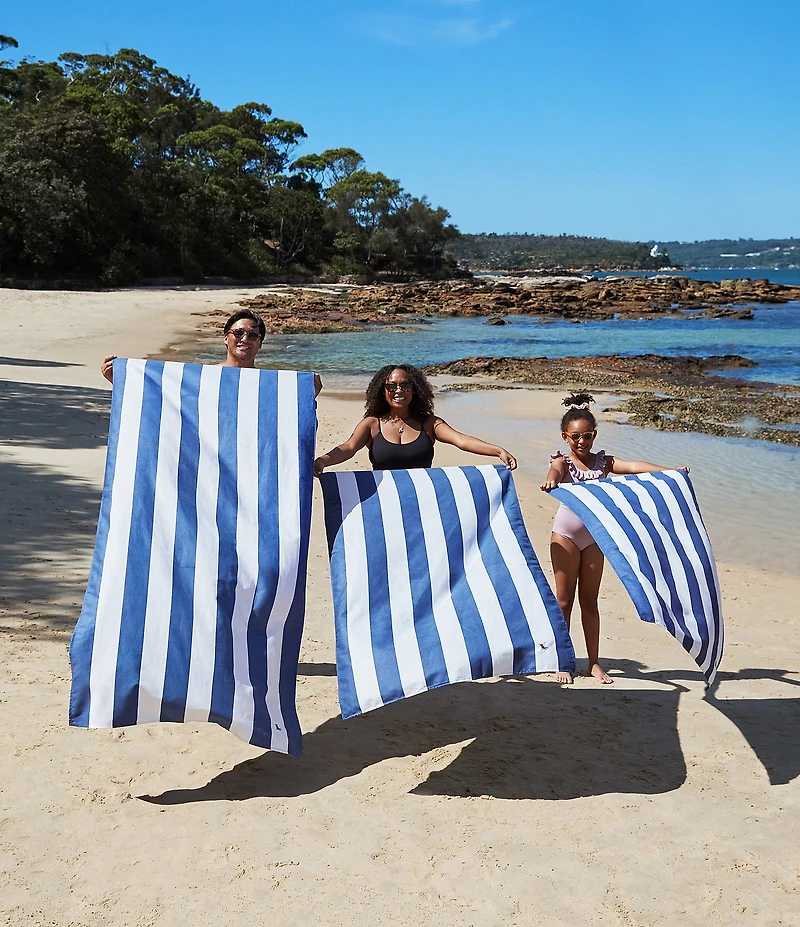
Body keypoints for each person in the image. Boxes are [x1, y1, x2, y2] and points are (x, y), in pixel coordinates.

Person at [540, 392, 688, 686]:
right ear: (566, 437)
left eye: (588, 435)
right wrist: (552, 480)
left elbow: (634, 467)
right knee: (564, 600)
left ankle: (594, 663)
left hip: (595, 539)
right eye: (576, 436)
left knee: (590, 602)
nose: (582, 441)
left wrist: (669, 472)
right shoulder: (563, 462)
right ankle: (562, 661)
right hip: (566, 536)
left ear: (594, 435)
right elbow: (554, 472)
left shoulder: (603, 463)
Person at [314, 363, 516, 475]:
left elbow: (461, 441)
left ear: (415, 390)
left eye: (405, 386)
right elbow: (348, 448)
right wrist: (322, 461)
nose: (398, 391)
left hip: (422, 501)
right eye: (391, 387)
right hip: (383, 501)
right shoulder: (372, 424)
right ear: (382, 391)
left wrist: (497, 451)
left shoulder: (429, 424)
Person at [101, 308, 322, 393]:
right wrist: (120, 382)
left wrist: (306, 395)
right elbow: (161, 399)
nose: (245, 339)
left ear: (260, 342)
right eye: (238, 333)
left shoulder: (269, 385)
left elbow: (290, 424)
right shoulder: (203, 377)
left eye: (253, 335)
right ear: (226, 338)